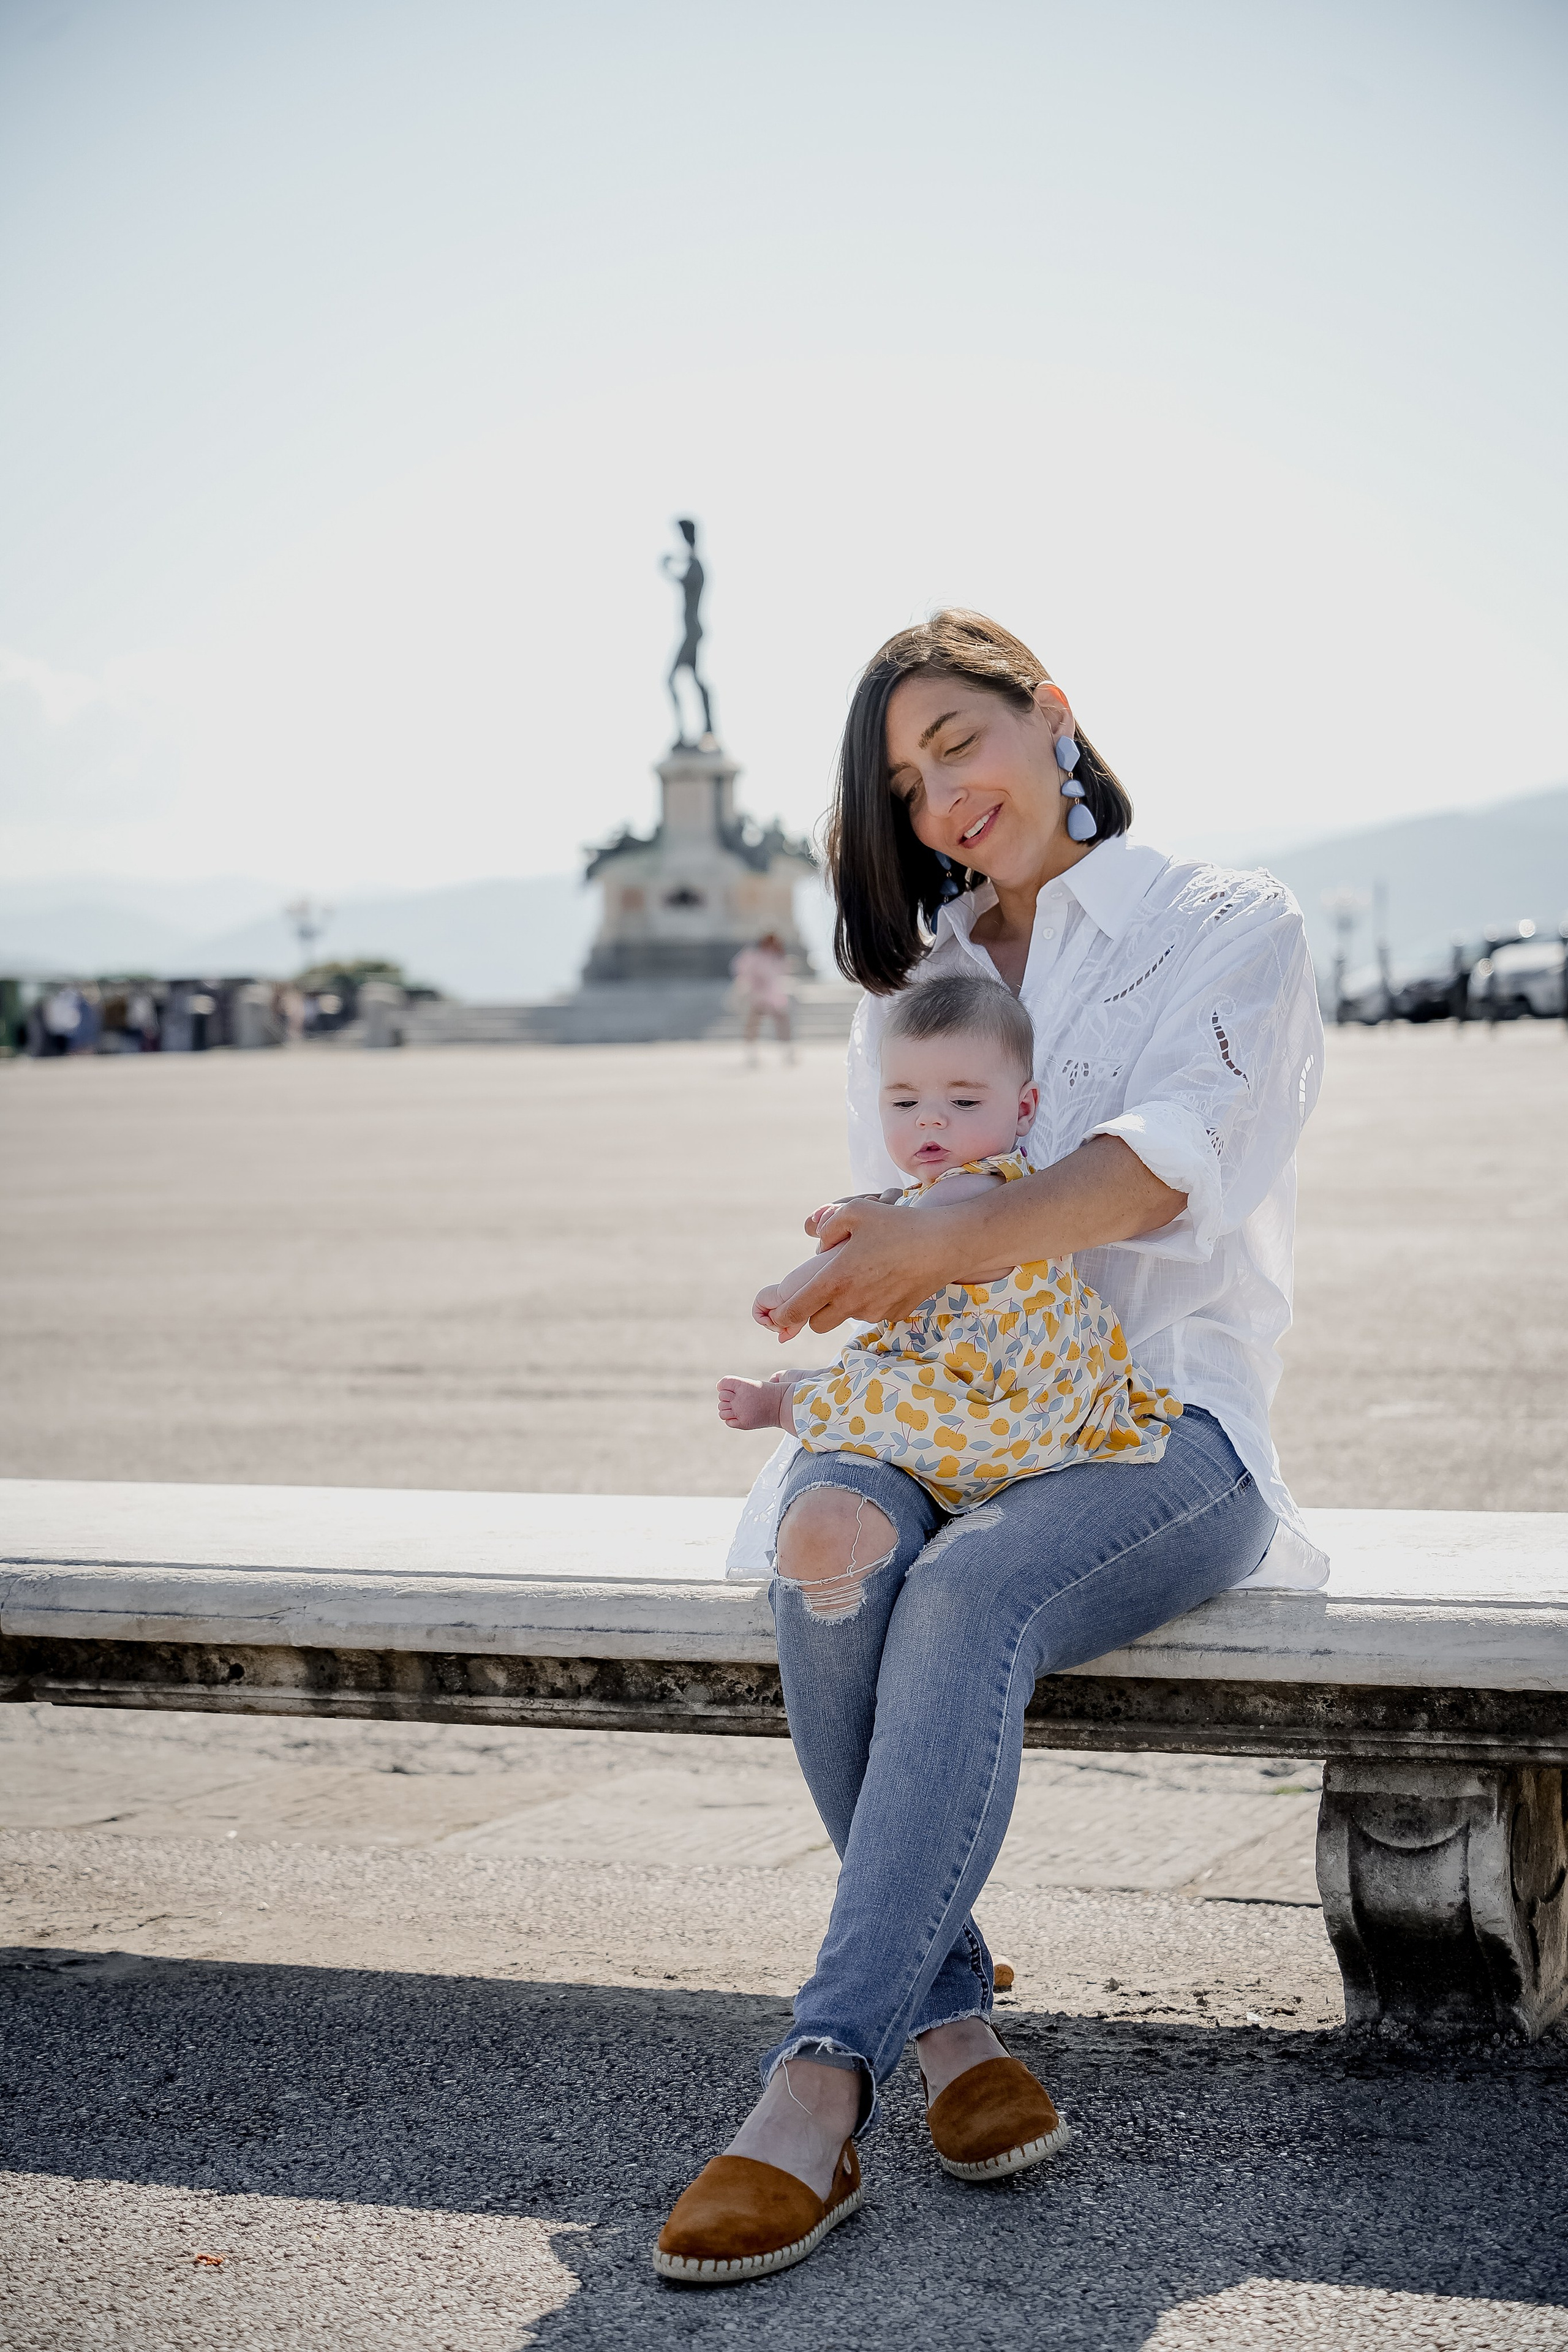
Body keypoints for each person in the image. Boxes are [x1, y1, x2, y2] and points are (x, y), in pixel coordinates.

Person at [654, 609, 1324, 2288]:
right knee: (827, 1542)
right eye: (906, 778)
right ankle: (954, 2029)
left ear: (1053, 717)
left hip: (1157, 1422)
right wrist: (860, 1239)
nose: (944, 795)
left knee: (962, 1597)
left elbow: (1161, 1167)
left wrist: (939, 1239)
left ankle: (816, 2088)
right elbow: (915, 1185)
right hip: (948, 1397)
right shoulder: (926, 975)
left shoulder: (1223, 924)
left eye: (962, 741)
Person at [718, 970, 1181, 1515]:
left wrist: (788, 1291)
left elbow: (854, 1259)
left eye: (963, 1103)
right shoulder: (1000, 1184)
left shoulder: (967, 1191)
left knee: (886, 1402)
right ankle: (822, 1386)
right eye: (904, 1103)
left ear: (1024, 1108)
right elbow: (901, 1210)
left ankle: (784, 1404)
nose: (930, 1119)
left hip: (993, 1407)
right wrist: (869, 1207)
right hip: (1014, 1379)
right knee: (890, 1377)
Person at [729, 931, 794, 1063]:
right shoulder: (754, 956)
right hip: (758, 996)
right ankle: (751, 1053)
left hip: (774, 997)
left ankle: (787, 1051)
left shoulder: (776, 957)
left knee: (782, 1022)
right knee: (753, 1024)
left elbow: (781, 973)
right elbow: (741, 969)